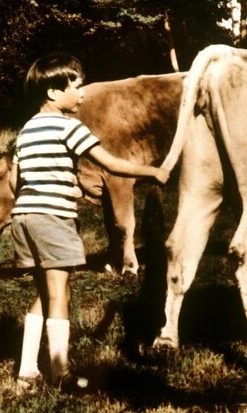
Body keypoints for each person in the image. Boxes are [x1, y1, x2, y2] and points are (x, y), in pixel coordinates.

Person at [10, 53, 170, 392]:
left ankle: (27, 371)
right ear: (54, 93)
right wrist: (152, 171)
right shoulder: (70, 127)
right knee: (59, 293)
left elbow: (14, 181)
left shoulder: (26, 130)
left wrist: (41, 187)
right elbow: (111, 163)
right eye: (77, 87)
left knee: (42, 291)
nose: (82, 94)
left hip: (24, 218)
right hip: (53, 219)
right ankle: (59, 371)